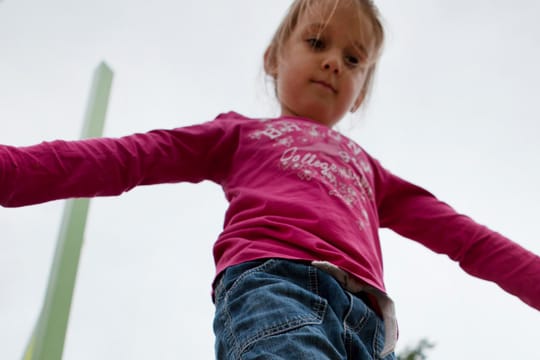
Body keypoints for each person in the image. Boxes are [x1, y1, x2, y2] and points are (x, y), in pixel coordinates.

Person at [1, 0, 539, 359]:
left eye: (353, 59)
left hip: (371, 326)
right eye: (317, 43)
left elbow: (467, 238)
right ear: (272, 59)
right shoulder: (239, 135)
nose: (334, 63)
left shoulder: (371, 173)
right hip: (275, 287)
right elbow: (126, 158)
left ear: (362, 89)